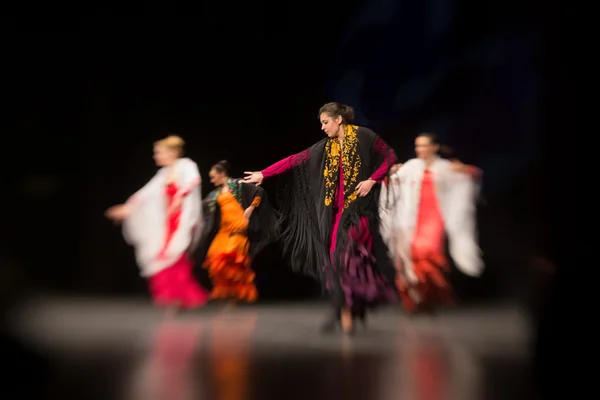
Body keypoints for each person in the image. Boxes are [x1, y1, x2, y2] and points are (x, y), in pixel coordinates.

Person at [243, 102, 397, 334]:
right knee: (336, 260)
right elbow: (295, 159)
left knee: (350, 255)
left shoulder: (364, 136)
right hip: (335, 213)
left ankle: (347, 310)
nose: (323, 128)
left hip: (358, 209)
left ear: (339, 120)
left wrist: (373, 179)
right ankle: (346, 307)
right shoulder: (326, 147)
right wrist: (264, 173)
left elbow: (389, 156)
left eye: (326, 122)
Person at [105, 135, 208, 316]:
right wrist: (127, 208)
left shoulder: (186, 165)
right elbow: (145, 193)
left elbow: (194, 181)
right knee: (159, 256)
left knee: (176, 255)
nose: (156, 156)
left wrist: (180, 195)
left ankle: (179, 299)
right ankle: (173, 299)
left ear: (172, 152)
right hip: (166, 223)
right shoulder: (162, 174)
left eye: (159, 152)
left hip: (181, 221)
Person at [380, 132, 483, 313]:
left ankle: (428, 298)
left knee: (429, 254)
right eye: (418, 146)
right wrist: (391, 174)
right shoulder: (411, 167)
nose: (421, 149)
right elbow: (391, 183)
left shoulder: (445, 167)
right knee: (411, 258)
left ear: (434, 147)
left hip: (435, 217)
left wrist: (466, 171)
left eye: (425, 145)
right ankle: (416, 299)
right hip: (412, 218)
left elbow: (473, 176)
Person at [197, 160, 278, 305]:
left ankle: (238, 294)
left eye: (214, 176)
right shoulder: (215, 194)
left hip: (239, 225)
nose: (212, 180)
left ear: (222, 174)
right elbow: (203, 208)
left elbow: (259, 191)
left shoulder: (238, 185)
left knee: (231, 256)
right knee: (215, 257)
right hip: (224, 229)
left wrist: (250, 209)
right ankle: (226, 292)